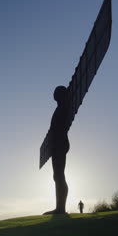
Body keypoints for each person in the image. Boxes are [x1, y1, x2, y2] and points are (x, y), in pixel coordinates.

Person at [43, 86, 70, 215]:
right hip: (56, 144)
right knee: (57, 175)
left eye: (57, 92)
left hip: (60, 143)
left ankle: (61, 208)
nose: (54, 94)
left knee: (59, 175)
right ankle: (59, 207)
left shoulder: (64, 107)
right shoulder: (59, 108)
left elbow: (60, 127)